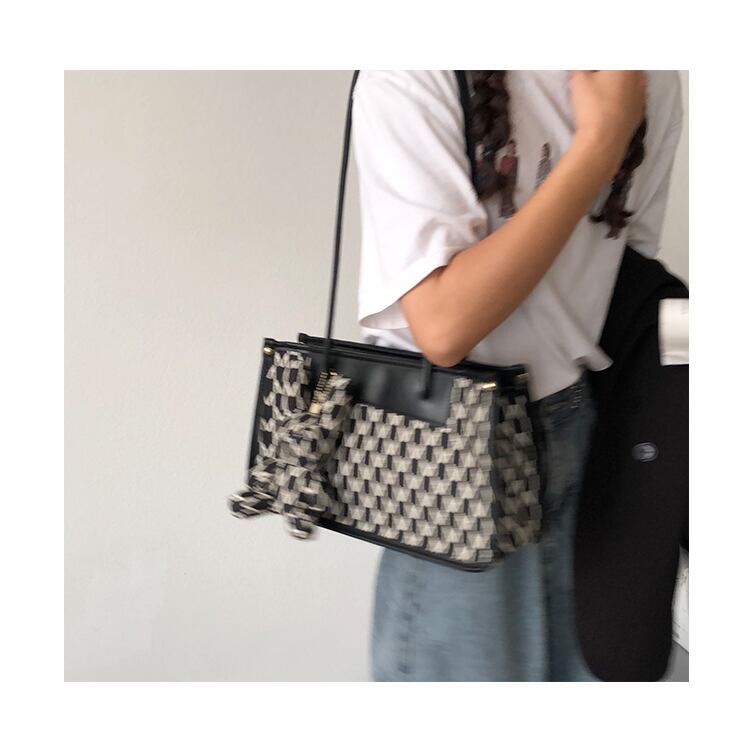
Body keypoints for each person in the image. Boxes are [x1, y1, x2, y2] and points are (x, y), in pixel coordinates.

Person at [350, 70, 683, 682]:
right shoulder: (415, 70)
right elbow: (444, 325)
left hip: (588, 427)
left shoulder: (648, 74)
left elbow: (625, 270)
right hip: (454, 451)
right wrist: (599, 144)